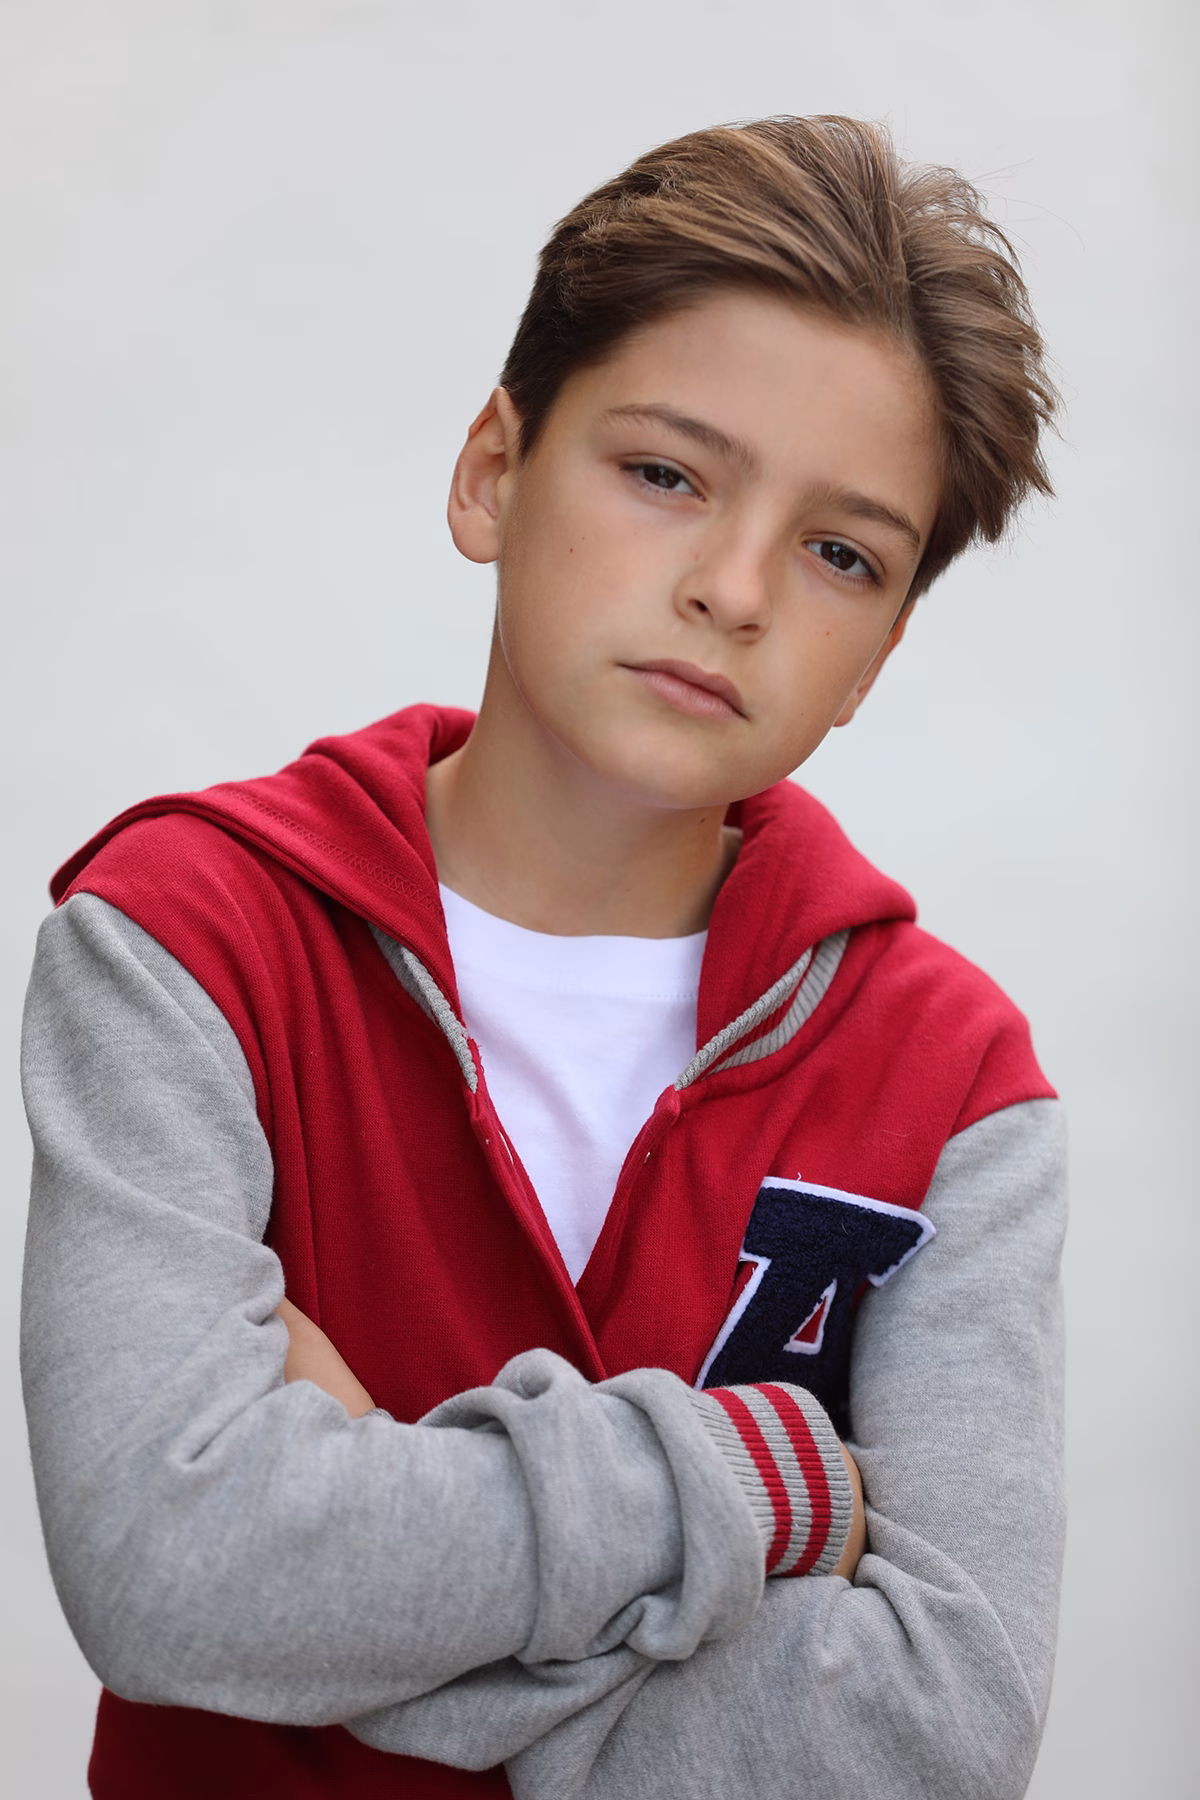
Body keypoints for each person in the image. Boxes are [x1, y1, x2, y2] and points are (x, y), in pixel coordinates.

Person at [20, 115, 1066, 1800]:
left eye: (841, 553)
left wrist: (348, 1571)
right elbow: (162, 1573)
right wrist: (759, 1486)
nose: (734, 588)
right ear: (493, 473)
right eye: (666, 474)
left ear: (877, 654)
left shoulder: (958, 1087)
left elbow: (941, 1742)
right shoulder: (186, 940)